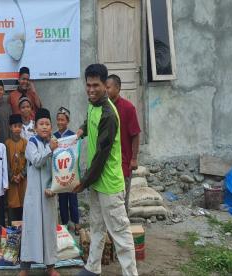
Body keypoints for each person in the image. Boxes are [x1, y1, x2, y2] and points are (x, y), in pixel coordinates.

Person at [73, 64, 138, 276]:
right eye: (88, 85)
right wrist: (82, 129)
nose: (91, 90)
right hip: (97, 182)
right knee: (97, 227)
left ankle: (130, 273)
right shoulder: (93, 105)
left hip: (108, 183)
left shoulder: (109, 114)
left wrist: (83, 182)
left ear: (105, 85)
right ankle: (92, 268)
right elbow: (89, 119)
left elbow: (101, 155)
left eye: (96, 86)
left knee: (120, 233)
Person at [20, 108, 59, 276]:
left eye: (47, 124)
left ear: (51, 127)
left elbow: (60, 168)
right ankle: (25, 268)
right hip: (34, 196)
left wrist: (55, 188)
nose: (44, 127)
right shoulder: (31, 143)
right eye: (41, 124)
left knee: (49, 230)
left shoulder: (55, 142)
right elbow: (36, 161)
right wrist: (50, 149)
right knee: (31, 228)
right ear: (35, 128)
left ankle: (50, 267)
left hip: (49, 193)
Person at [106, 74, 141, 212]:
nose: (105, 90)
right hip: (107, 163)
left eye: (108, 87)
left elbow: (135, 135)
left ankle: (123, 227)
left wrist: (134, 158)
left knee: (122, 198)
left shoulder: (128, 108)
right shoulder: (104, 108)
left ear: (118, 88)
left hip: (123, 162)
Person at [54, 107, 80, 235]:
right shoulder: (54, 137)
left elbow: (76, 153)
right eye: (58, 120)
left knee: (73, 199)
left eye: (62, 120)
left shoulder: (72, 136)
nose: (60, 122)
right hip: (60, 173)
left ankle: (76, 223)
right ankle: (64, 224)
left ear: (67, 121)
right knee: (62, 199)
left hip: (71, 172)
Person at [5, 114, 28, 223]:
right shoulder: (7, 144)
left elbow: (29, 162)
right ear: (10, 127)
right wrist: (12, 176)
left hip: (23, 180)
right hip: (12, 181)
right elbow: (5, 163)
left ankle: (24, 233)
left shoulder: (25, 143)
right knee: (12, 204)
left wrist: (22, 175)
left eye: (19, 126)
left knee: (24, 204)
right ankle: (12, 232)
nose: (17, 129)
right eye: (15, 126)